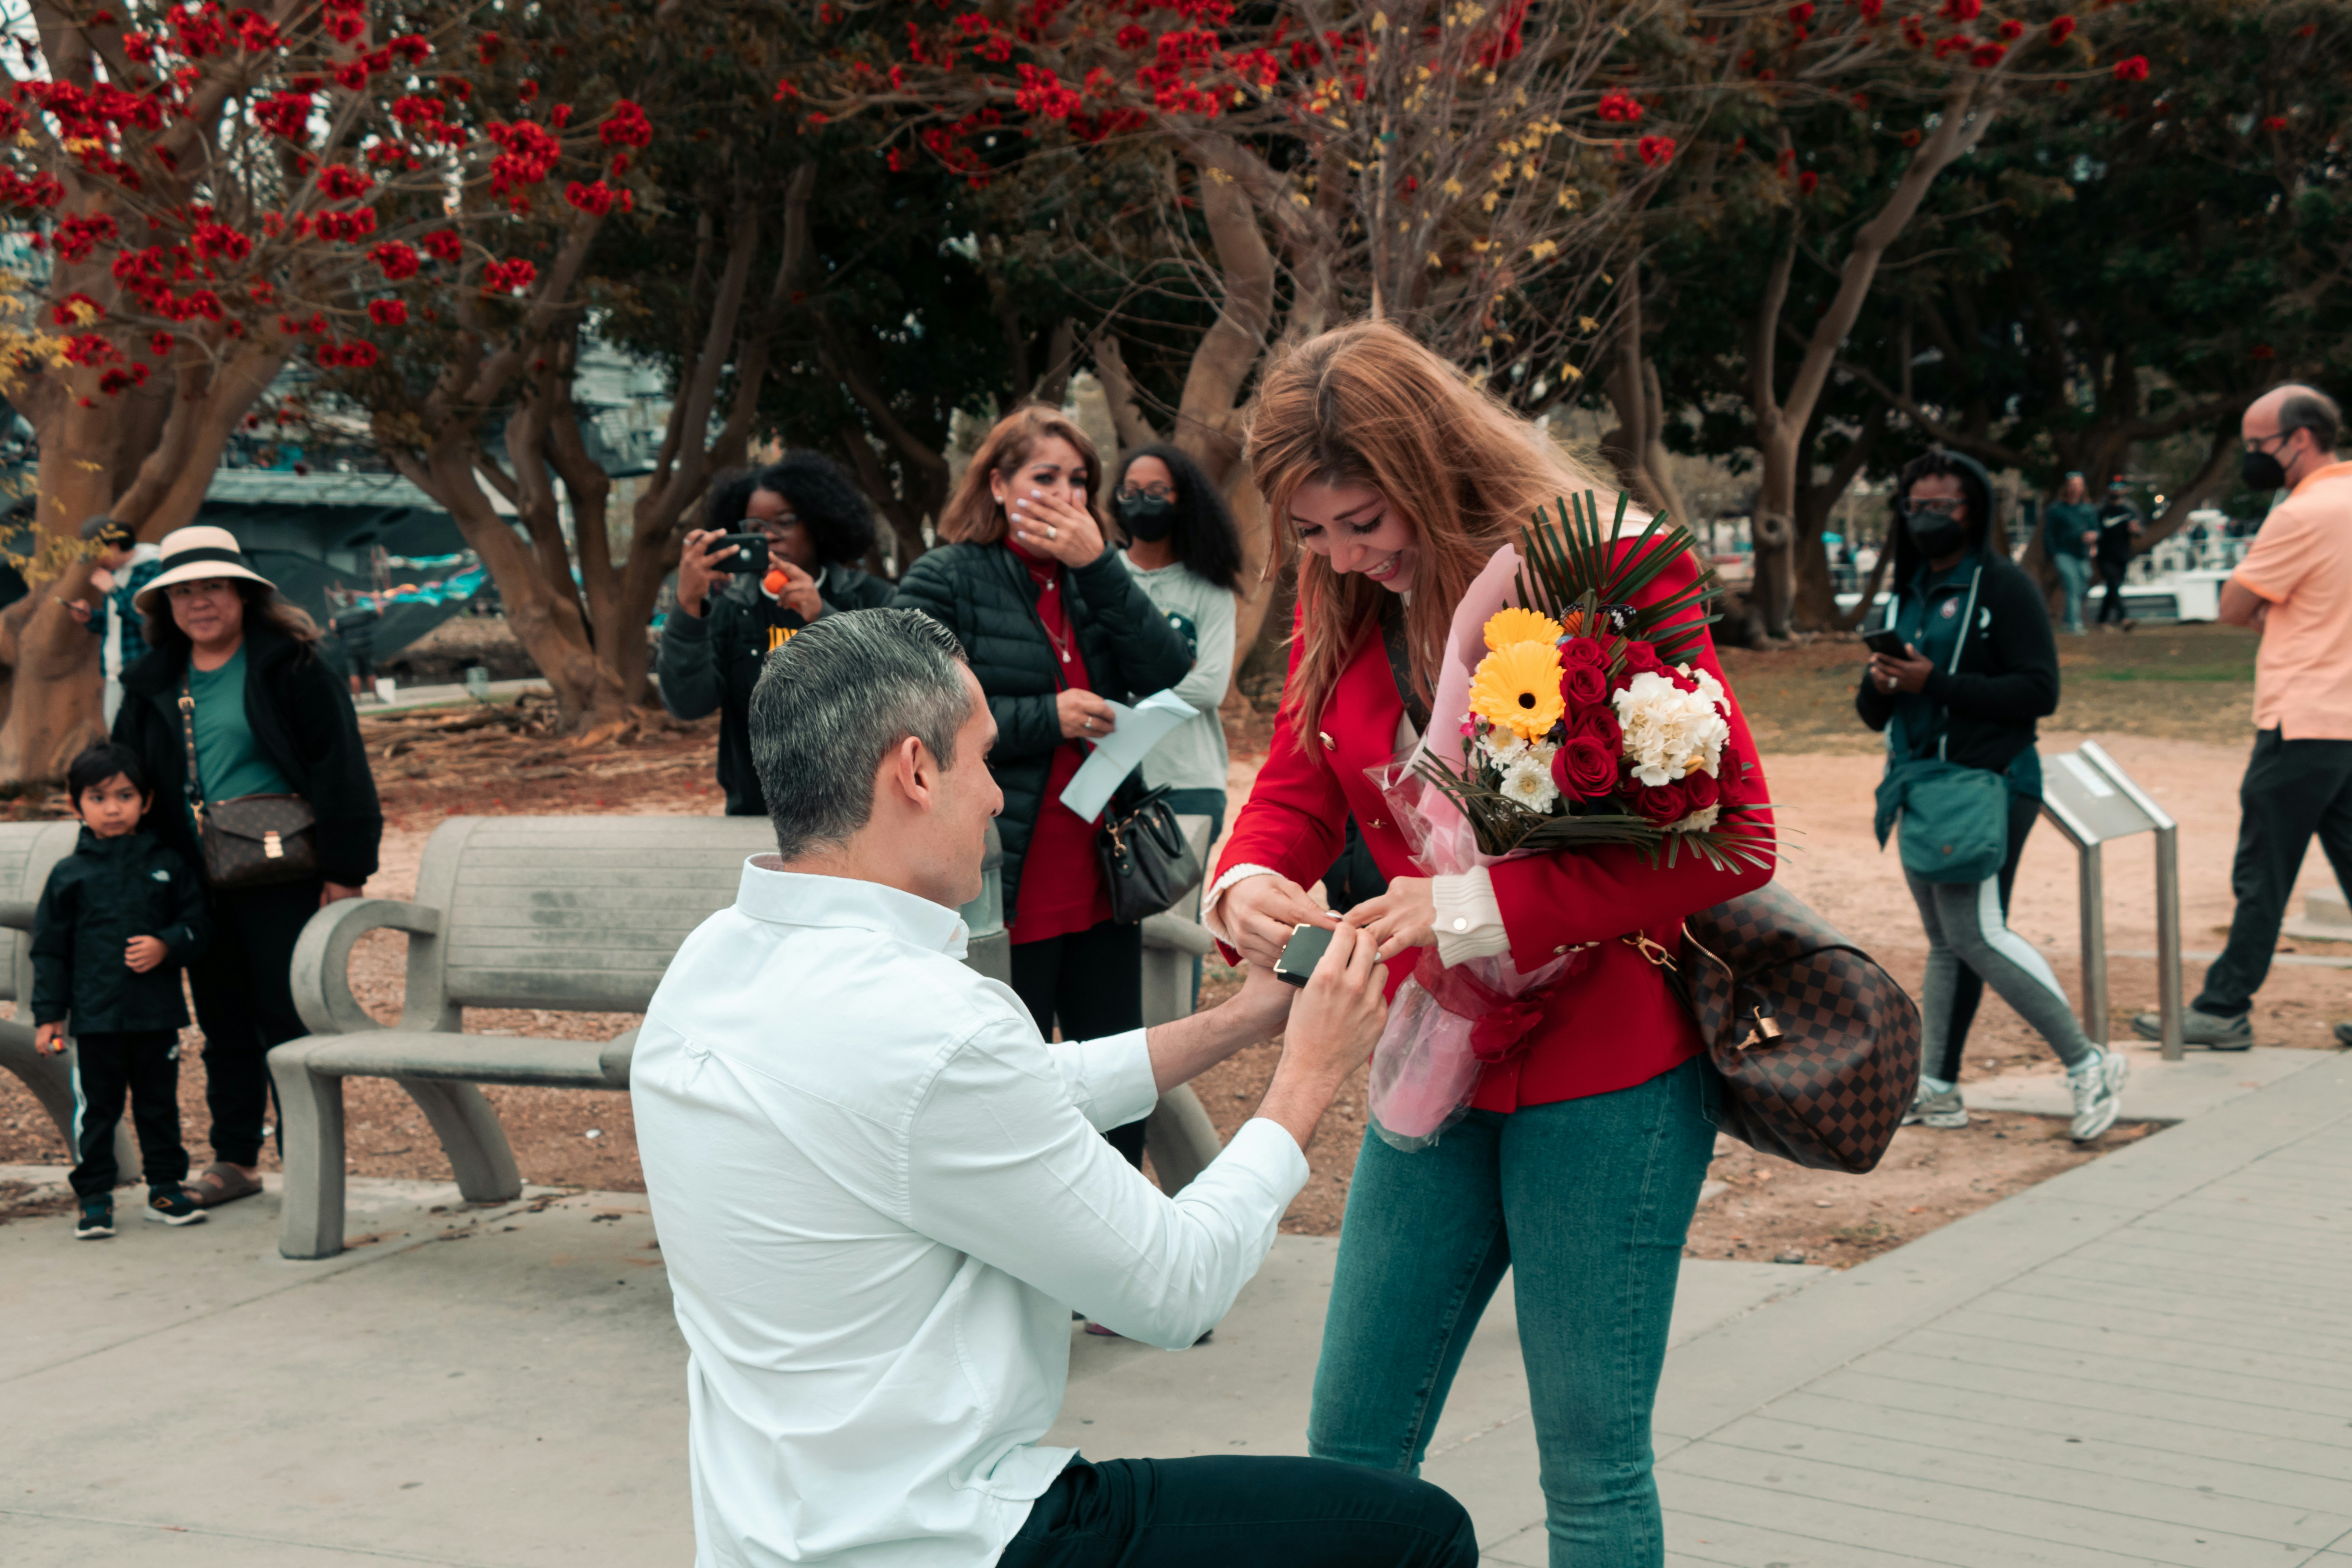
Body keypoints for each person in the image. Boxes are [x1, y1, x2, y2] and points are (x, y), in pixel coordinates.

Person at [629, 608, 1475, 1568]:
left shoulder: (710, 966)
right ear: (912, 771)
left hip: (764, 1533)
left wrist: (1242, 1020)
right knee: (1417, 1533)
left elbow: (1007, 1096)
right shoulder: (930, 1021)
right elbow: (1174, 1288)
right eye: (984, 759)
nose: (997, 796)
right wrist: (1308, 1078)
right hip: (947, 1534)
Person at [1203, 321, 1773, 1567]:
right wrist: (1244, 877)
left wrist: (1470, 911)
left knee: (1590, 1470)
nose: (1344, 557)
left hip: (1608, 1075)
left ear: (1433, 467)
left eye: (1363, 520)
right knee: (1347, 1453)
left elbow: (1734, 842)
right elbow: (1299, 776)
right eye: (1308, 533)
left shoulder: (1611, 566)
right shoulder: (1340, 593)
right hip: (1431, 1064)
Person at [893, 408, 1191, 1169]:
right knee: (1013, 1090)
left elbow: (1165, 670)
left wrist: (1101, 567)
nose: (1066, 494)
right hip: (1004, 878)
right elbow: (910, 708)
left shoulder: (1096, 577)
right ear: (998, 484)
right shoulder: (945, 575)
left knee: (1118, 1083)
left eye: (1081, 481)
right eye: (1044, 477)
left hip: (1101, 875)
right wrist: (1043, 716)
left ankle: (1111, 1263)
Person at [112, 526, 382, 1209]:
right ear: (165, 604)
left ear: (241, 594)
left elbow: (342, 771)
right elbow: (129, 781)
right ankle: (235, 1159)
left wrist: (347, 873)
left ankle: (313, 1161)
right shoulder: (149, 684)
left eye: (212, 586)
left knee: (288, 1019)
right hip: (193, 879)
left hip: (283, 873)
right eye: (183, 591)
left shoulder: (292, 667)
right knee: (223, 1022)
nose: (199, 602)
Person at [1860, 450, 2128, 1139]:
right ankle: (1939, 1089)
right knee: (1949, 943)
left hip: (1989, 784)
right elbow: (1872, 712)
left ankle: (2089, 1061)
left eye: (1942, 507)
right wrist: (1885, 683)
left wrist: (1934, 684)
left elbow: (2040, 692)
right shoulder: (1907, 589)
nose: (1926, 519)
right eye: (1915, 506)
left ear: (1973, 510)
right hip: (1919, 787)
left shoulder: (2004, 588)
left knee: (1977, 933)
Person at [2134, 385, 2351, 1050]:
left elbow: (2233, 606)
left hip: (2302, 717)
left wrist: (2272, 608)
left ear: (2301, 438)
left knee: (2263, 872)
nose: (2252, 456)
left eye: (2258, 445)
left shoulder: (2302, 514)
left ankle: (2224, 1006)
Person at [33, 742, 209, 1239]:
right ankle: (94, 1198)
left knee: (160, 1105)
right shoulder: (69, 875)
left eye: (126, 795)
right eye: (99, 797)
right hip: (96, 1020)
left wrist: (167, 945)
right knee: (98, 1111)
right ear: (77, 805)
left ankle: (166, 1188)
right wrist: (50, 1016)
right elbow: (49, 950)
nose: (113, 808)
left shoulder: (169, 864)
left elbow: (199, 925)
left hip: (156, 1015)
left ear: (147, 802)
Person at [660, 454, 895, 816]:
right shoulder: (730, 610)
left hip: (861, 813)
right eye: (755, 526)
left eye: (784, 522)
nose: (768, 535)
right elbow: (688, 704)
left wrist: (825, 618)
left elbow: (897, 692)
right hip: (758, 815)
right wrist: (689, 605)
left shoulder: (871, 599)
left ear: (819, 524)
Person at [1112, 443, 1244, 842]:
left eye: (1156, 492)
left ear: (1183, 501)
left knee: (1175, 909)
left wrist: (1127, 702)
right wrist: (1173, 683)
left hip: (1188, 783)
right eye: (1130, 491)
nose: (1141, 502)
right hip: (1105, 779)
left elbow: (1210, 686)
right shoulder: (1099, 577)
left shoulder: (1210, 589)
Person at [64, 515, 163, 726]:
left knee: (143, 733)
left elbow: (144, 618)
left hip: (143, 670)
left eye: (97, 554)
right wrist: (91, 617)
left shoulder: (153, 567)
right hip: (114, 672)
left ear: (115, 546)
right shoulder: (117, 573)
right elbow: (118, 625)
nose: (96, 561)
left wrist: (113, 590)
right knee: (116, 734)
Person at [2042, 472, 2099, 636]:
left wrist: (2094, 536)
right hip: (2063, 554)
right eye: (2072, 485)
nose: (2075, 488)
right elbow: (2049, 534)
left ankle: (2068, 622)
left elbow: (2097, 530)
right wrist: (2053, 555)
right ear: (2066, 487)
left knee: (2081, 587)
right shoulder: (2057, 510)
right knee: (2073, 585)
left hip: (2082, 555)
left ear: (2083, 488)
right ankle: (2075, 625)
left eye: (2078, 485)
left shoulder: (2088, 509)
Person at [2094, 478, 2142, 630]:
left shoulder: (2130, 510)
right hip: (2105, 555)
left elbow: (2140, 531)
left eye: (2119, 488)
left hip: (2122, 555)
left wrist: (2137, 531)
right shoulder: (2101, 511)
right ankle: (2124, 618)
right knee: (2113, 584)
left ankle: (2102, 620)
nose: (2116, 491)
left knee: (2113, 588)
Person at [328, 586, 383, 701]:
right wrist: (377, 600)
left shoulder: (339, 615)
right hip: (366, 645)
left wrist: (332, 626)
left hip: (349, 648)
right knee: (370, 671)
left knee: (353, 672)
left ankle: (357, 698)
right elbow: (379, 615)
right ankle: (376, 696)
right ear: (354, 598)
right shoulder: (363, 610)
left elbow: (337, 634)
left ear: (344, 600)